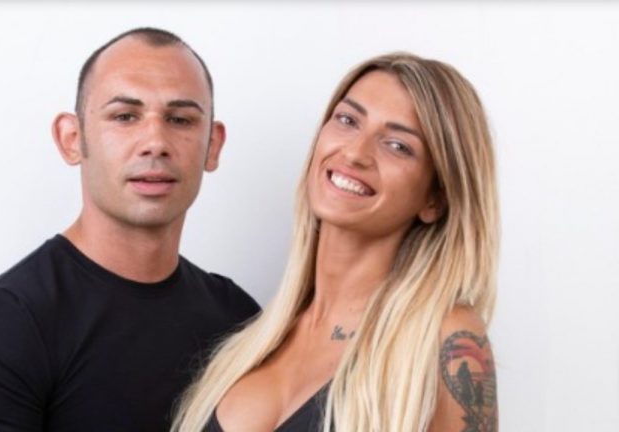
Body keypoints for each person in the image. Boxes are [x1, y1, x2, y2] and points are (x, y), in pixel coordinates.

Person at [0, 27, 260, 432]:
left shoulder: (237, 319)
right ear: (72, 139)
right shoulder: (2, 326)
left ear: (212, 146)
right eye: (125, 116)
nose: (155, 141)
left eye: (179, 119)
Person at [173, 53, 499, 432]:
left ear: (435, 199)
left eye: (398, 145)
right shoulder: (253, 338)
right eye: (347, 120)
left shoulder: (447, 339)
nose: (355, 153)